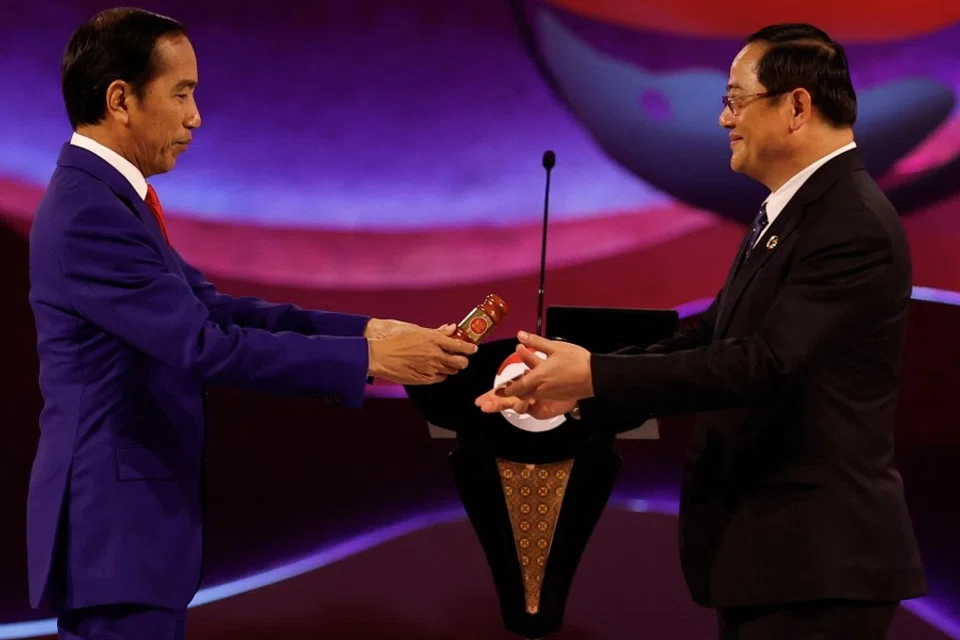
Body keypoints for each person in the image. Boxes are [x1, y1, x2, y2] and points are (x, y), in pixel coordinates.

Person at [27, 8, 476, 639]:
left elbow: (214, 310)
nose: (195, 117)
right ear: (120, 100)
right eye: (181, 94)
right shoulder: (90, 212)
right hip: (115, 532)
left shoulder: (110, 200)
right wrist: (371, 362)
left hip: (130, 534)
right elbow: (203, 345)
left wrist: (367, 332)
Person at [478, 23, 927, 639]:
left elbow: (763, 364)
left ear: (797, 106)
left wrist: (595, 376)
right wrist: (583, 385)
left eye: (735, 100)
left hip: (817, 565)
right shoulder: (792, 212)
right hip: (775, 561)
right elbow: (710, 337)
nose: (723, 119)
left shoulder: (851, 222)